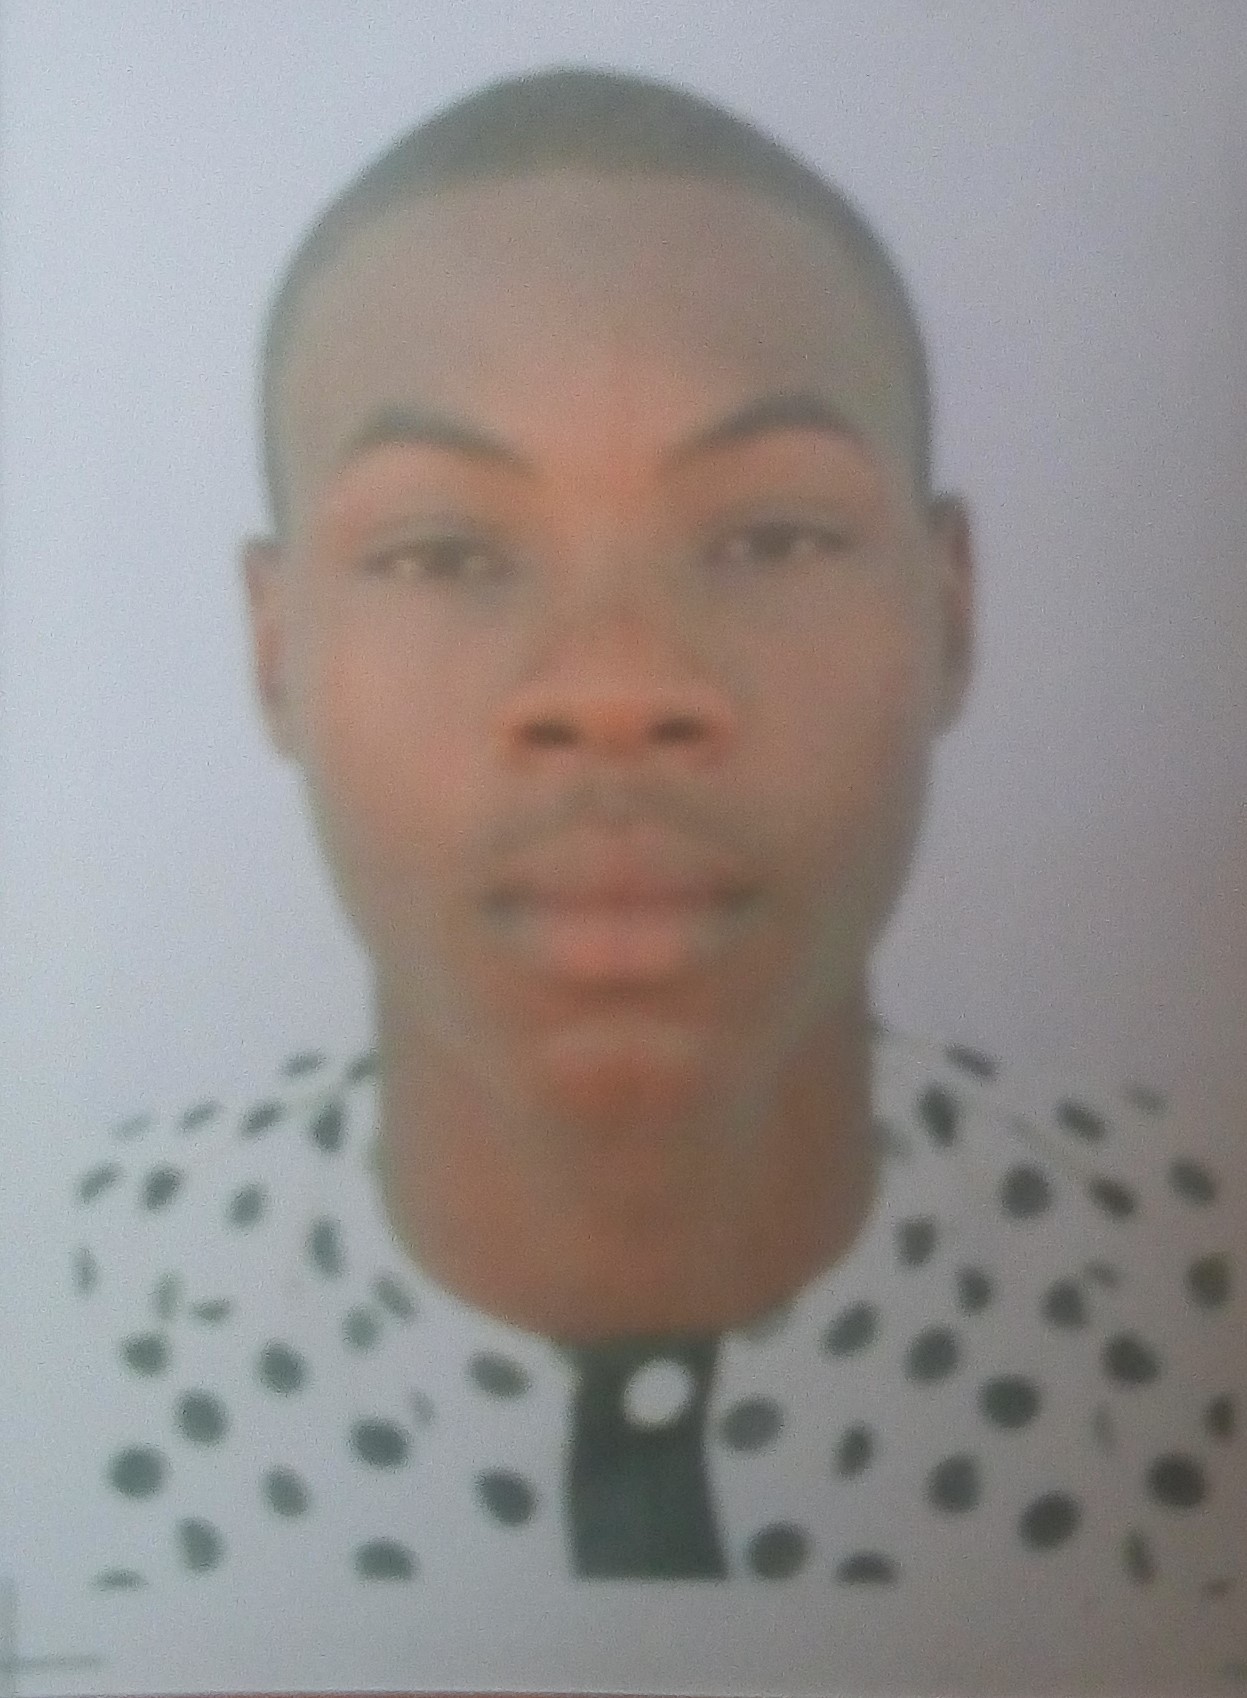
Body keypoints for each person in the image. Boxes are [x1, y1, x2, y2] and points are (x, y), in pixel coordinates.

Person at [69, 65, 1242, 1695]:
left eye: (768, 536)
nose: (615, 686)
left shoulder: (1200, 1289)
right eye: (442, 551)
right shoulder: (55, 1324)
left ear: (949, 612)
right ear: (277, 653)